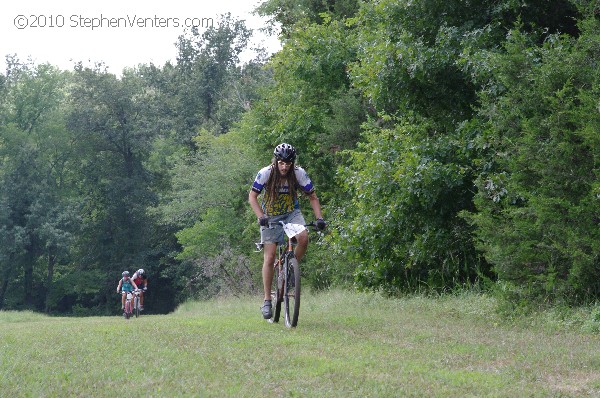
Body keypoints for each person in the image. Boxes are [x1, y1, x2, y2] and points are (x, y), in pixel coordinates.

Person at [248, 143, 326, 319]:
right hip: (270, 215)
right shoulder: (266, 173)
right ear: (276, 161)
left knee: (304, 238)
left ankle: (291, 269)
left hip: (292, 213)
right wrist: (260, 216)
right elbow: (252, 197)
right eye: (281, 163)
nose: (284, 167)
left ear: (292, 163)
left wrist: (319, 218)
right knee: (269, 256)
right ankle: (267, 300)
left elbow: (313, 196)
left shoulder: (299, 173)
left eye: (288, 164)